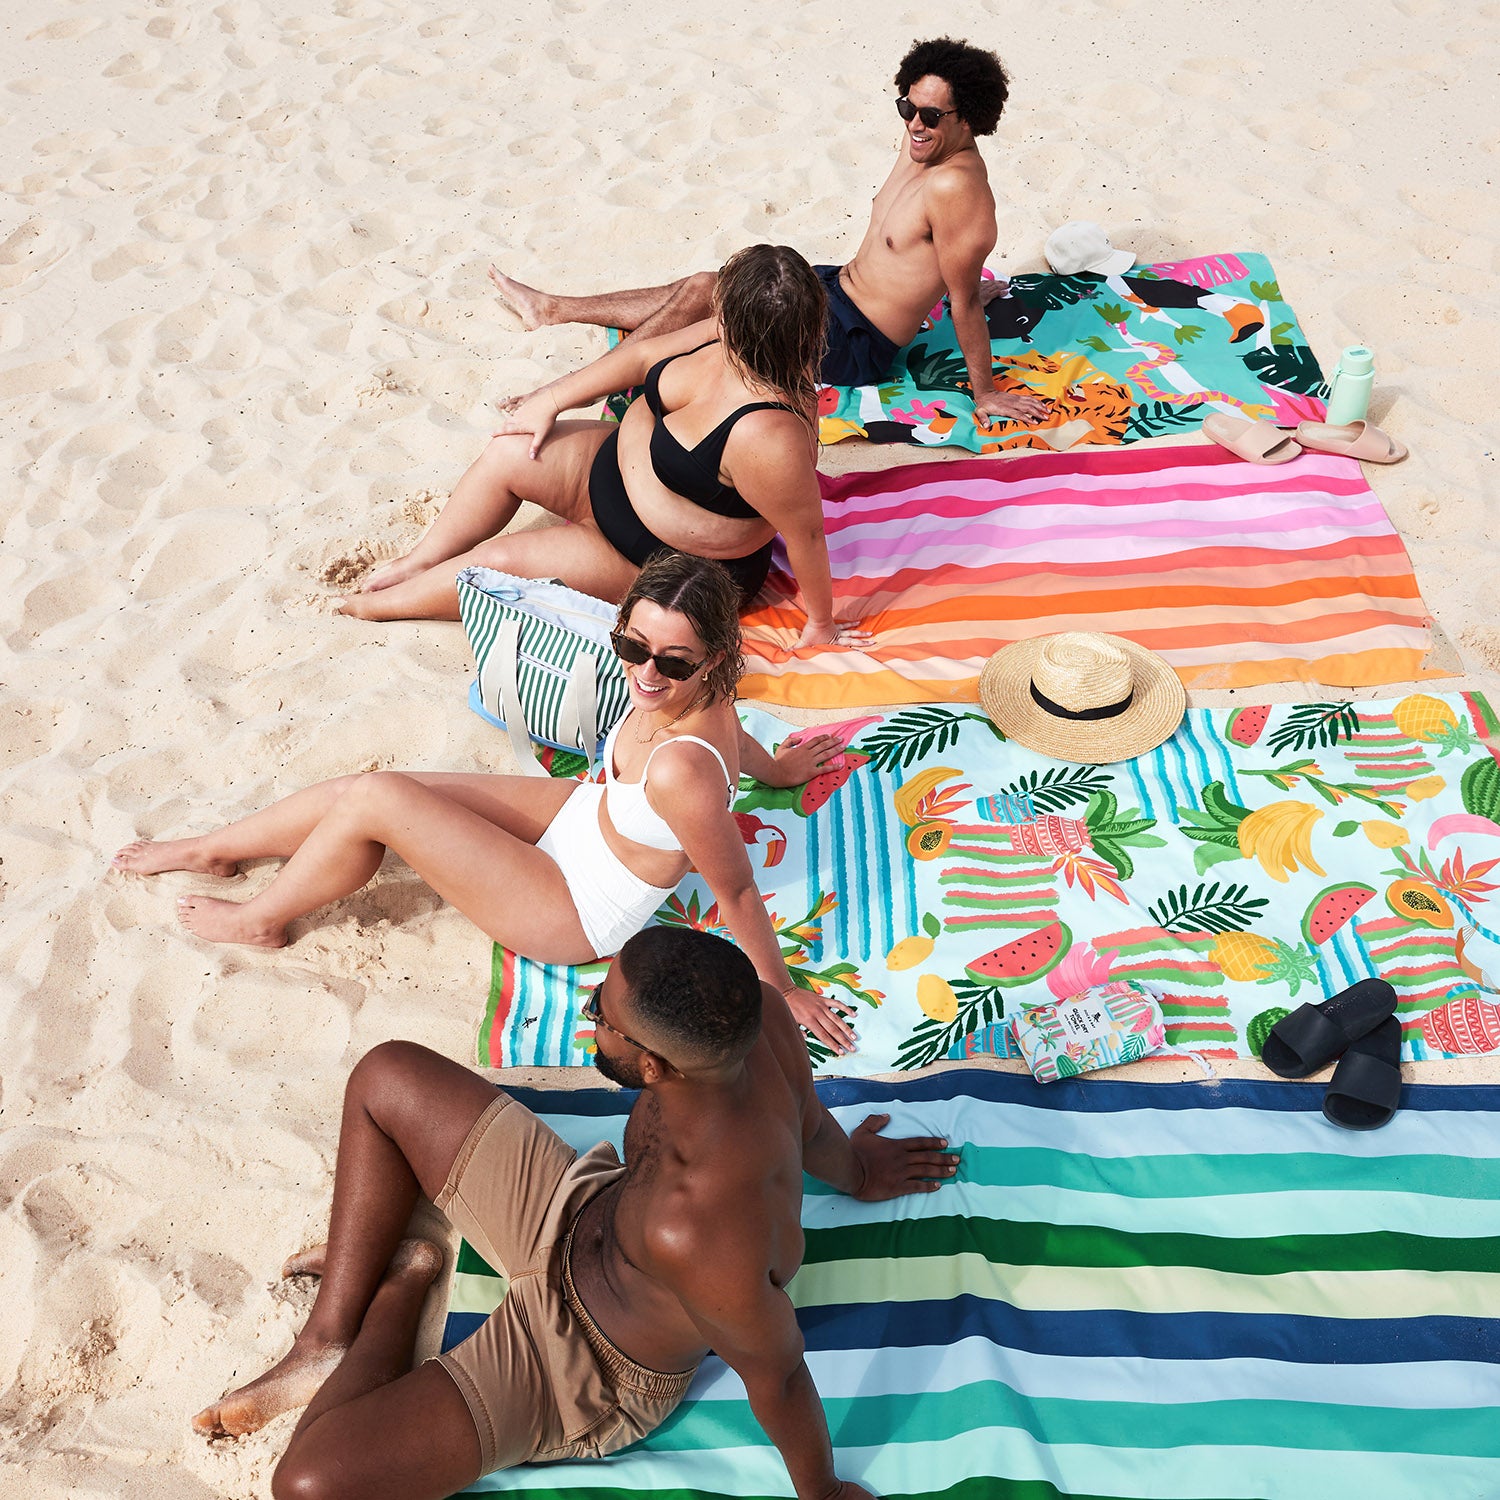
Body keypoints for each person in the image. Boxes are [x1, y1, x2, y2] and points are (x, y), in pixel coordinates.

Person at [192, 926, 962, 1500]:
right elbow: (812, 1124)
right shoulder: (754, 1015)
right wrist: (861, 1171)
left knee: (307, 1484)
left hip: (585, 1363)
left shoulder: (703, 1230)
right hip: (581, 1206)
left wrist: (823, 1492)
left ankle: (403, 1285)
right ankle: (327, 1340)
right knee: (385, 1075)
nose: (590, 1015)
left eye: (602, 1016)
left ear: (653, 1064)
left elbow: (781, 1374)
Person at [114, 554, 860, 1052]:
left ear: (715, 659)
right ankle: (214, 849)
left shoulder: (682, 774)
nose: (646, 674)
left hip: (576, 906)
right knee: (370, 791)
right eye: (633, 647)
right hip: (582, 819)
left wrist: (781, 989)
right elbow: (736, 739)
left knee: (379, 797)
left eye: (672, 662)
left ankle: (260, 919)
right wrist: (779, 770)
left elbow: (735, 888)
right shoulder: (712, 691)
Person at [490, 38, 1051, 433]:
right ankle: (554, 309)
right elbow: (928, 263)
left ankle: (556, 395)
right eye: (906, 106)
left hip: (852, 343)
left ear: (968, 119)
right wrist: (957, 287)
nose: (913, 124)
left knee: (703, 316)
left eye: (929, 115)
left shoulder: (958, 188)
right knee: (707, 284)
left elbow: (960, 295)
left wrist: (984, 389)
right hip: (832, 289)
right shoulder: (922, 147)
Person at [341, 244, 868, 651]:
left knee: (496, 564)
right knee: (509, 452)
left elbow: (807, 533)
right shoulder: (726, 335)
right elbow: (640, 360)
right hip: (604, 473)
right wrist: (550, 401)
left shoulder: (770, 434)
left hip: (654, 558)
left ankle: (373, 608)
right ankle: (418, 562)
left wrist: (820, 623)